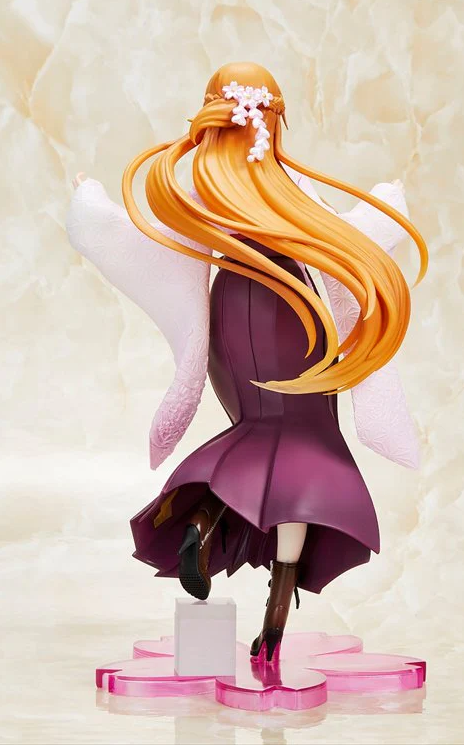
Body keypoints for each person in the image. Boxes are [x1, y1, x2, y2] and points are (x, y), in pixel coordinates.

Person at [66, 61, 427, 665]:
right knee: (306, 451)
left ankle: (201, 525)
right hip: (298, 312)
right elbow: (353, 232)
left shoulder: (208, 191)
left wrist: (89, 204)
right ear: (276, 119)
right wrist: (392, 201)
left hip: (235, 312)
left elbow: (135, 238)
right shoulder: (291, 189)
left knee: (257, 431)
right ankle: (274, 627)